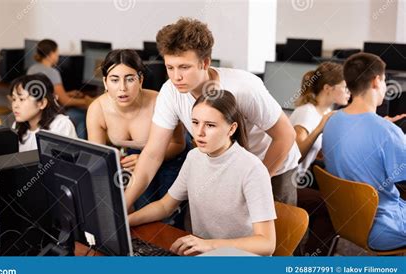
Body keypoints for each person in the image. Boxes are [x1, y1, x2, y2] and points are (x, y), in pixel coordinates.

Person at [125, 18, 300, 209]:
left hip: (272, 163)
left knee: (275, 234)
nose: (176, 77)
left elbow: (285, 135)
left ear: (205, 63)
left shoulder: (243, 88)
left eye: (184, 67)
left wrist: (257, 182)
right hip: (224, 167)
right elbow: (152, 154)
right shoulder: (170, 91)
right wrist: (124, 203)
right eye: (170, 67)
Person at [128, 90, 276, 256]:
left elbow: (267, 243)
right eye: (195, 123)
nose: (199, 132)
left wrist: (210, 245)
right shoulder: (194, 156)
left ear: (231, 129)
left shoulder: (252, 168)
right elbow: (165, 206)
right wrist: (125, 221)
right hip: (204, 254)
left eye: (210, 125)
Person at [323, 52, 406, 250]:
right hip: (384, 227)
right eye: (385, 80)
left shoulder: (332, 121)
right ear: (376, 81)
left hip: (348, 221)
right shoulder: (387, 132)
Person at [86, 49, 187, 211]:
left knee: (169, 216)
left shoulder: (159, 102)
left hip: (172, 156)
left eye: (130, 79)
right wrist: (113, 160)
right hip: (136, 157)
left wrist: (143, 158)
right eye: (114, 80)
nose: (122, 88)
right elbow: (98, 158)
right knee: (141, 208)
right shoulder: (97, 109)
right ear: (105, 82)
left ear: (140, 80)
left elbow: (178, 144)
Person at [290, 62, 350, 178]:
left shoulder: (326, 112)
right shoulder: (306, 112)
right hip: (293, 183)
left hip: (303, 177)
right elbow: (296, 156)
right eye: (345, 88)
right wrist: (319, 129)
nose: (349, 92)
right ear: (327, 88)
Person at [28, 39, 92, 139]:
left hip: (38, 113)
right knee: (83, 115)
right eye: (57, 53)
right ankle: (80, 145)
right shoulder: (52, 72)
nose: (58, 56)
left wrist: (68, 93)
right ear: (52, 54)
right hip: (50, 114)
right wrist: (87, 101)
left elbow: (47, 93)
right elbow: (65, 101)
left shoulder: (32, 69)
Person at [11, 73, 77, 152]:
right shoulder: (17, 126)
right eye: (14, 99)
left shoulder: (61, 125)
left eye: (21, 99)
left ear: (42, 103)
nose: (15, 105)